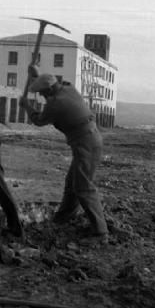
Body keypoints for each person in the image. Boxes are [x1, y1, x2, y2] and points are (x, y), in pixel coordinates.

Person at [18, 66, 108, 243]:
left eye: (43, 94)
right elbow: (52, 82)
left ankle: (100, 233)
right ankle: (64, 217)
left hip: (86, 142)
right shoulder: (68, 88)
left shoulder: (56, 104)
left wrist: (27, 105)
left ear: (50, 90)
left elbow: (38, 120)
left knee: (83, 186)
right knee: (72, 182)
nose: (44, 97)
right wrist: (36, 75)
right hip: (90, 138)